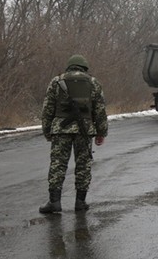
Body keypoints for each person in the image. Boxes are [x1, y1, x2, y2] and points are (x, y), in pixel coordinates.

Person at [39, 54, 108, 213]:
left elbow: (47, 109)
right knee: (83, 165)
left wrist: (47, 131)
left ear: (69, 66)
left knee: (58, 164)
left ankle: (54, 202)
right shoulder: (93, 83)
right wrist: (101, 133)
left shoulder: (56, 82)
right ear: (84, 67)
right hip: (84, 131)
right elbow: (100, 110)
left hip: (60, 130)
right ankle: (80, 202)